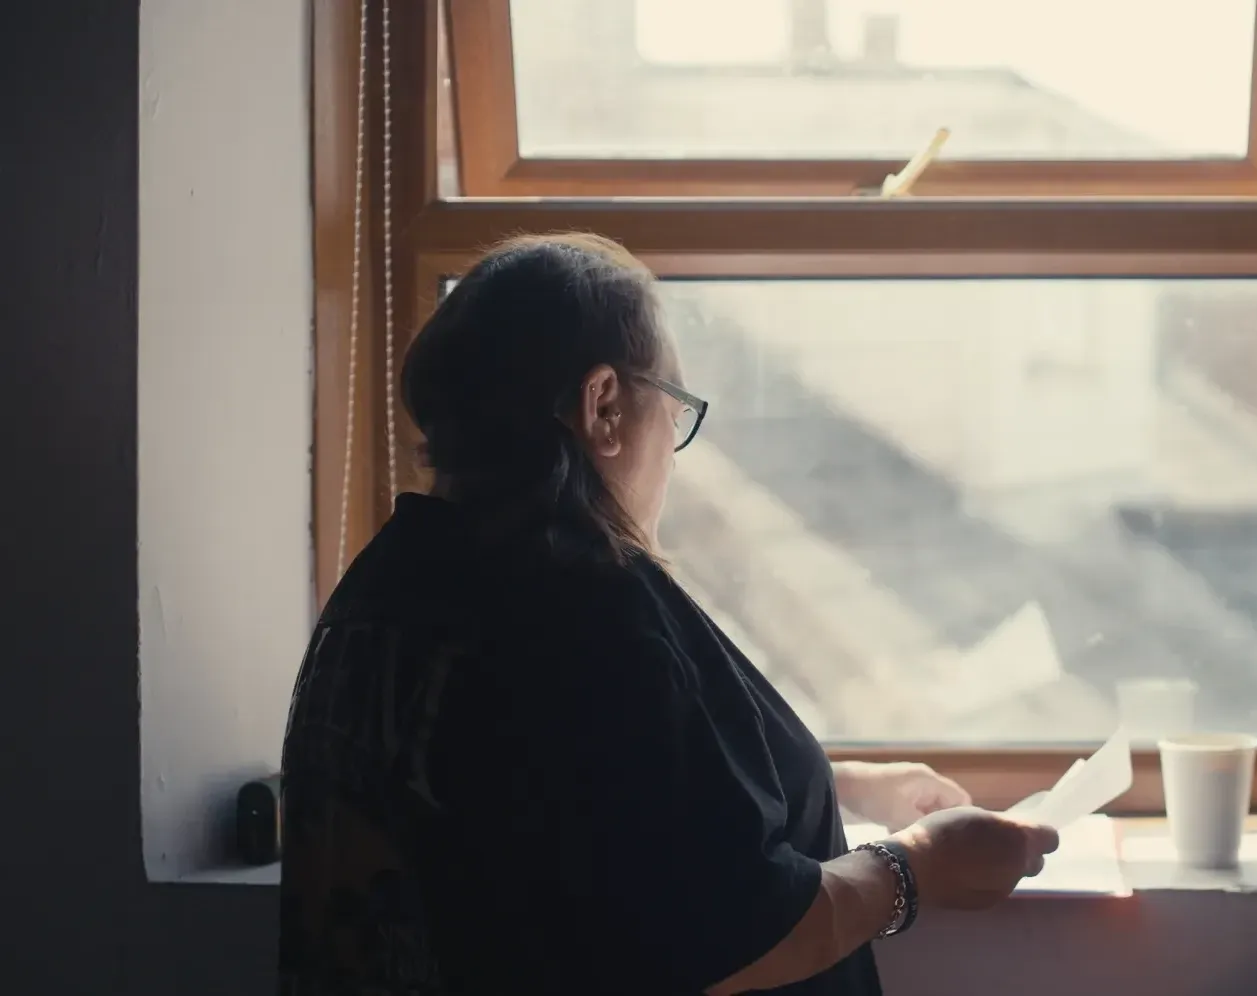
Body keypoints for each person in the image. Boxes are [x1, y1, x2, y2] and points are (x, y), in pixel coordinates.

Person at [278, 232, 1060, 996]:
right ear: (604, 405)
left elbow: (566, 800)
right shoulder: (580, 604)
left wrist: (829, 781)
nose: (673, 454)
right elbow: (735, 936)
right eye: (673, 406)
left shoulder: (383, 588)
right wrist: (919, 864)